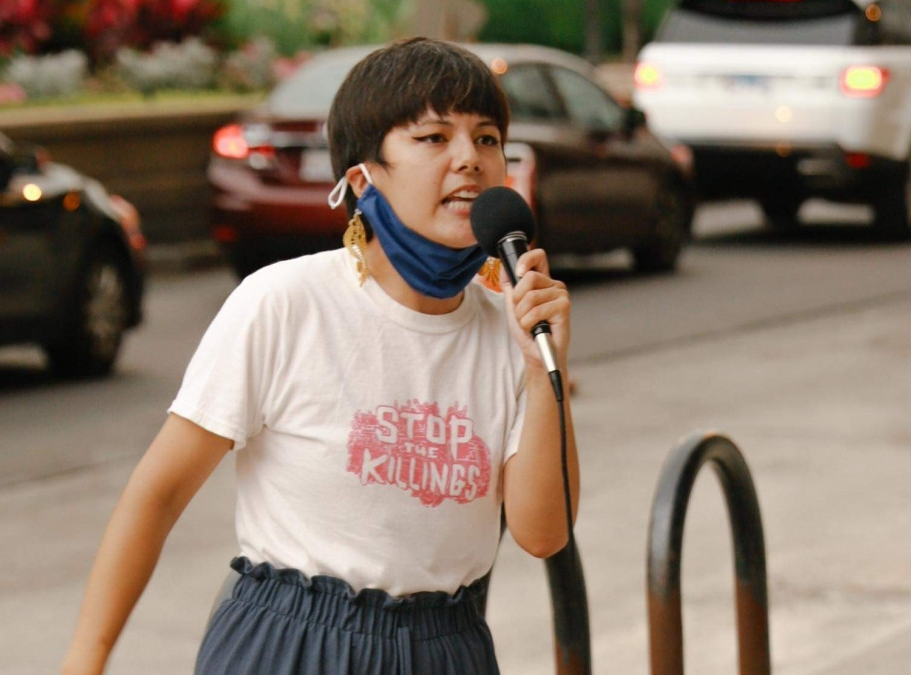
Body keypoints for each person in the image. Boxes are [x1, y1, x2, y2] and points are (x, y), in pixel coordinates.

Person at [60, 38, 579, 674]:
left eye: (488, 138)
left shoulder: (511, 331)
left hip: (448, 646)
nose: (469, 159)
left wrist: (539, 366)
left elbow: (543, 532)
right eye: (433, 138)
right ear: (363, 179)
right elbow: (158, 494)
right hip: (291, 642)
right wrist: (86, 660)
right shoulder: (284, 303)